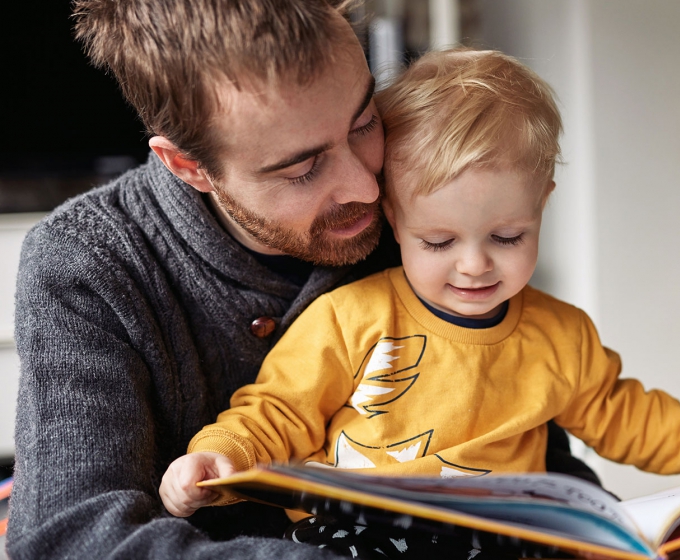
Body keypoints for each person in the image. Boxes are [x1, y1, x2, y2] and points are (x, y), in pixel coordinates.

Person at [158, 48, 680, 559]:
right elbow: (277, 414)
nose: (475, 265)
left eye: (508, 237)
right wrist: (222, 456)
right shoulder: (351, 318)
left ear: (543, 204)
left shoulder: (560, 336)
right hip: (365, 535)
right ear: (392, 214)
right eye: (438, 241)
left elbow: (629, 415)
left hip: (504, 538)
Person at [7, 2, 595, 558]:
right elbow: (71, 538)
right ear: (190, 167)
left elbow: (532, 437)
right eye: (303, 168)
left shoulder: (426, 217)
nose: (368, 187)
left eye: (365, 121)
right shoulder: (87, 263)